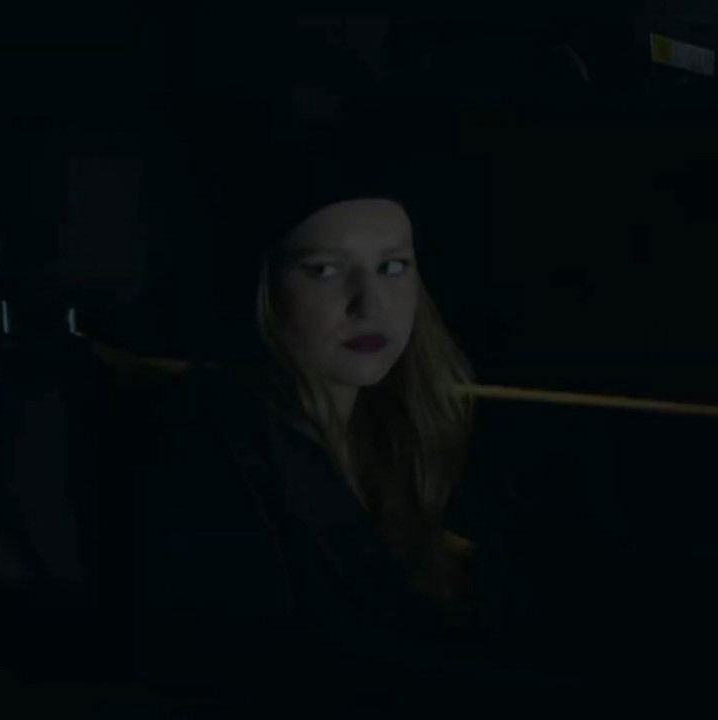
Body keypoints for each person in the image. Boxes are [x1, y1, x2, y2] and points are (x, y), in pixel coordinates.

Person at [126, 139, 522, 709]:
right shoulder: (215, 433)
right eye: (325, 270)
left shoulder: (412, 434)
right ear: (264, 287)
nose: (370, 304)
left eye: (393, 267)